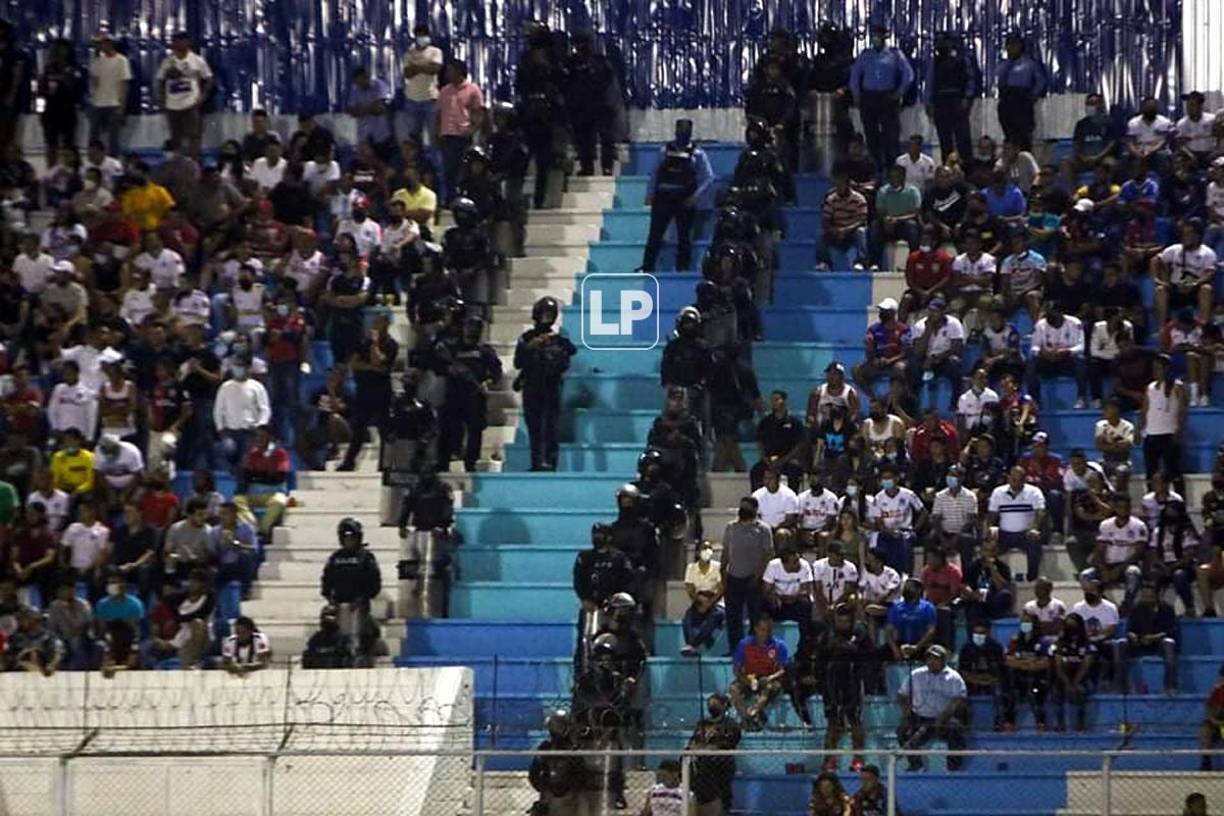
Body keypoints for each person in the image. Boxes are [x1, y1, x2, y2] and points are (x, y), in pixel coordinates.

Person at [640, 120, 714, 273]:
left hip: (685, 199)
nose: (682, 134)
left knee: (684, 237)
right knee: (654, 236)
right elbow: (654, 174)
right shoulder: (664, 151)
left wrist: (695, 196)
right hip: (663, 198)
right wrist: (650, 194)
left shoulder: (698, 153)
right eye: (680, 130)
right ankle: (647, 268)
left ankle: (683, 268)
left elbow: (708, 177)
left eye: (685, 131)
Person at [514, 297, 577, 472]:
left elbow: (571, 351)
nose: (547, 318)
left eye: (551, 314)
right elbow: (518, 362)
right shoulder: (527, 338)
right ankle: (536, 461)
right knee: (534, 426)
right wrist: (531, 346)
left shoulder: (559, 339)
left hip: (552, 386)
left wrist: (555, 342)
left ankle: (550, 462)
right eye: (545, 314)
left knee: (551, 425)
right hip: (532, 386)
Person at [848, 23, 914, 171]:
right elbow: (854, 76)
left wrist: (899, 92)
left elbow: (908, 75)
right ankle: (875, 167)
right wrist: (856, 95)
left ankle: (893, 168)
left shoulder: (894, 54)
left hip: (887, 97)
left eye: (879, 35)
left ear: (885, 37)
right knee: (871, 134)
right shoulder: (866, 55)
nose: (876, 39)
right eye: (874, 35)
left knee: (890, 135)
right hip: (869, 97)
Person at [320, 517, 383, 661]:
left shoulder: (366, 557)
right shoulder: (336, 558)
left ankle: (359, 653)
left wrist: (362, 598)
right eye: (346, 537)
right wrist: (330, 598)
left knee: (359, 633)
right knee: (328, 623)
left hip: (359, 604)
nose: (349, 541)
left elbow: (374, 582)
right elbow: (327, 579)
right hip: (339, 604)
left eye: (352, 537)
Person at [896, 644, 967, 771]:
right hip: (919, 716)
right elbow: (902, 695)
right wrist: (907, 713)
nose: (932, 662)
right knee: (902, 730)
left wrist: (943, 717)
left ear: (943, 660)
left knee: (956, 729)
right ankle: (915, 763)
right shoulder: (916, 674)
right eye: (929, 658)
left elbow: (958, 700)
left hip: (943, 717)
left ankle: (953, 768)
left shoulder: (953, 677)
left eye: (936, 659)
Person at [720, 497, 773, 654]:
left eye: (747, 507)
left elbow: (767, 554)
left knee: (755, 617)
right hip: (733, 577)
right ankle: (736, 650)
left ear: (755, 509)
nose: (743, 509)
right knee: (733, 618)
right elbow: (725, 552)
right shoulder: (731, 527)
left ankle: (754, 651)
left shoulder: (763, 529)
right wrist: (723, 572)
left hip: (753, 579)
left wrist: (758, 576)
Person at [155, 32, 212, 159]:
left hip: (190, 103)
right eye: (176, 41)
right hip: (172, 104)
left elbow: (208, 78)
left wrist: (203, 96)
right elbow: (160, 80)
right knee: (175, 136)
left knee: (194, 135)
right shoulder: (168, 61)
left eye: (182, 41)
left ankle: (194, 163)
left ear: (188, 42)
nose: (179, 44)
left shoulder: (197, 60)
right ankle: (177, 162)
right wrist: (161, 98)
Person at [729, 614, 790, 730]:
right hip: (749, 678)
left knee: (770, 688)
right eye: (762, 630)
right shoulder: (744, 644)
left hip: (769, 679)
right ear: (756, 629)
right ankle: (747, 717)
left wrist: (770, 678)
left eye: (769, 630)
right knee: (734, 689)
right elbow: (736, 669)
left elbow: (783, 670)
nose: (765, 634)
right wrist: (746, 680)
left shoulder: (779, 645)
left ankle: (753, 712)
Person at [988, 465, 1048, 582]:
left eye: (1020, 480)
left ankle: (1032, 577)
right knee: (988, 544)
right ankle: (993, 577)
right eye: (1014, 479)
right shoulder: (998, 492)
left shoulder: (1034, 492)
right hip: (1004, 534)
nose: (1017, 483)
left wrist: (1035, 528)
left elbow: (1041, 512)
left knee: (1034, 542)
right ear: (1008, 478)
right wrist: (989, 529)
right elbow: (992, 514)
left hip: (1025, 534)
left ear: (1024, 479)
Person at [437, 59, 485, 200]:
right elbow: (439, 113)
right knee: (448, 169)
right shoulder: (445, 91)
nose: (447, 74)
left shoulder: (472, 89)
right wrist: (437, 132)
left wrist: (473, 128)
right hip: (447, 134)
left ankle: (464, 196)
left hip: (463, 135)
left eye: (450, 71)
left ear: (459, 72)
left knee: (463, 169)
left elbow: (479, 112)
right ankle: (450, 198)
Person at [925, 32, 977, 161]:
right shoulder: (935, 62)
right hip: (940, 102)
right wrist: (929, 102)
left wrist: (967, 97)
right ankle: (947, 170)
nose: (940, 45)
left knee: (963, 138)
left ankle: (966, 169)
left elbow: (970, 80)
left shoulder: (962, 60)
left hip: (957, 101)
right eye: (938, 43)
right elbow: (930, 82)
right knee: (945, 140)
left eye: (943, 42)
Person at [687, 693, 741, 816]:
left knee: (722, 798)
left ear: (724, 705)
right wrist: (696, 749)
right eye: (710, 704)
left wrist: (706, 749)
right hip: (701, 768)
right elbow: (693, 742)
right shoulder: (702, 723)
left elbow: (727, 744)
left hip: (721, 767)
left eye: (715, 704)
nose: (711, 707)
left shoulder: (730, 725)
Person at [1119, 583, 1178, 693]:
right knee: (1121, 644)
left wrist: (1154, 637)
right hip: (1140, 641)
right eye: (1144, 597)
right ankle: (1123, 686)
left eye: (1149, 597)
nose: (1146, 599)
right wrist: (1132, 635)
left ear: (1156, 596)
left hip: (1159, 642)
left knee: (1169, 644)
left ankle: (1170, 687)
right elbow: (1130, 630)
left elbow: (1171, 631)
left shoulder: (1167, 609)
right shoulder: (1137, 608)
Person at [867, 463, 925, 574]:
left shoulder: (908, 494)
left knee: (904, 541)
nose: (886, 481)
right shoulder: (878, 498)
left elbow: (923, 511)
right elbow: (879, 523)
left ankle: (905, 574)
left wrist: (915, 528)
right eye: (884, 478)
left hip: (905, 530)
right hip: (886, 531)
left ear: (897, 478)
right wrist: (889, 532)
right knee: (877, 542)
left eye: (889, 478)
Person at [1139, 354, 1187, 485]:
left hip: (1169, 433)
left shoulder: (1177, 386)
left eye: (1158, 367)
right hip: (1151, 433)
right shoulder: (1150, 387)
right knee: (1151, 470)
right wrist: (1140, 429)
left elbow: (1182, 410)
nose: (1156, 371)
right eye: (1154, 368)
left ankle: (1179, 499)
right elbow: (1145, 410)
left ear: (1167, 368)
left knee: (1173, 470)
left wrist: (1179, 430)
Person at [995, 33, 1044, 151]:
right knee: (1009, 137)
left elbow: (1040, 82)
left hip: (1022, 101)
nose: (1010, 48)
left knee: (1023, 138)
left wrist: (1031, 97)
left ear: (1020, 46)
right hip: (1006, 101)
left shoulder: (1029, 64)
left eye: (1014, 45)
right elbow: (1000, 83)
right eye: (1008, 45)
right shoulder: (1003, 65)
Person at [750, 390, 806, 491]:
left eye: (776, 399)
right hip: (769, 460)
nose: (773, 402)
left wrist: (784, 460)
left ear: (784, 401)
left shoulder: (794, 422)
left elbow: (799, 444)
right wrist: (766, 459)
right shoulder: (765, 422)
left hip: (787, 460)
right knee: (756, 471)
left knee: (795, 470)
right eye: (772, 400)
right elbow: (759, 442)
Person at [958, 619, 1007, 731]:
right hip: (972, 681)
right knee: (960, 693)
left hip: (992, 681)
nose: (978, 636)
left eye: (982, 633)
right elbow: (963, 672)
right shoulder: (966, 649)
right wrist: (977, 680)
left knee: (1000, 692)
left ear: (988, 633)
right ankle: (964, 724)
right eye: (976, 633)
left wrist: (990, 679)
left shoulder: (996, 647)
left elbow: (1001, 670)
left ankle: (999, 723)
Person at [88, 29, 131, 155]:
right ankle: (94, 160)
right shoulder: (97, 62)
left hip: (114, 103)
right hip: (98, 103)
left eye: (102, 43)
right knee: (93, 136)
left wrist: (121, 107)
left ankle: (113, 162)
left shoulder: (121, 61)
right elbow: (94, 83)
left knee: (113, 138)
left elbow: (124, 84)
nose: (100, 46)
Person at [400, 24, 443, 148]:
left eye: (424, 35)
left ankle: (435, 165)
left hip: (430, 99)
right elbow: (407, 73)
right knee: (414, 137)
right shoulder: (409, 53)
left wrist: (416, 67)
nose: (421, 37)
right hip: (412, 99)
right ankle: (417, 164)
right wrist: (425, 66)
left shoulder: (435, 51)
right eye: (419, 35)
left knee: (434, 136)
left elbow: (434, 69)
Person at [1052, 612, 1095, 731]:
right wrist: (1067, 683)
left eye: (1073, 624)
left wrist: (1075, 683)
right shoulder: (1060, 643)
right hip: (1064, 678)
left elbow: (1086, 665)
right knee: (1057, 691)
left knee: (1081, 690)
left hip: (1082, 678)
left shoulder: (1086, 644)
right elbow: (1058, 665)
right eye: (1068, 624)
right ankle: (1060, 725)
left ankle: (1081, 725)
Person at [682, 542, 725, 657]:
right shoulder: (691, 568)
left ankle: (694, 645)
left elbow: (721, 588)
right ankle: (689, 644)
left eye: (709, 548)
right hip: (699, 600)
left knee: (717, 615)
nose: (707, 550)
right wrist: (700, 601)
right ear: (697, 552)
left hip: (715, 601)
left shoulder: (718, 567)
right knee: (687, 618)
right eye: (704, 548)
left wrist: (710, 603)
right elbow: (690, 589)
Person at [821, 168, 869, 269]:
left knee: (860, 232)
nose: (838, 188)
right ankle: (824, 263)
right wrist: (834, 230)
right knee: (822, 234)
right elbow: (826, 220)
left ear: (847, 185)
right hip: (836, 231)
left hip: (852, 231)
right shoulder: (831, 199)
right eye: (836, 185)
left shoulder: (859, 199)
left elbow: (862, 220)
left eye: (841, 185)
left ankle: (860, 262)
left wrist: (847, 229)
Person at [301, 604, 354, 669]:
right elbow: (309, 656)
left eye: (331, 615)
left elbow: (347, 659)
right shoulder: (316, 638)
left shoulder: (343, 639)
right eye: (326, 616)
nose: (329, 618)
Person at [1199, 664, 1224, 770]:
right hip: (1217, 723)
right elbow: (1209, 709)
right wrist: (1214, 721)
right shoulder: (1218, 690)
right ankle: (1206, 761)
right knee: (1204, 731)